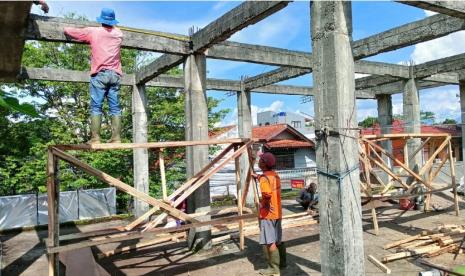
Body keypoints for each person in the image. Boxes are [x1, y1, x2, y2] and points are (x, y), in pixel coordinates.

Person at [64, 8, 123, 144]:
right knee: (115, 107)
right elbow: (114, 30)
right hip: (115, 75)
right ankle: (116, 138)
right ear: (113, 21)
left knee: (96, 106)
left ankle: (95, 138)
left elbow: (70, 32)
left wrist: (65, 27)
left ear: (101, 20)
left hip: (100, 74)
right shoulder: (119, 34)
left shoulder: (93, 32)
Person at [255, 152, 286, 276]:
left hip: (268, 214)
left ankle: (274, 269)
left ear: (264, 163)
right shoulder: (275, 176)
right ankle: (282, 263)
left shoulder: (264, 178)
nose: (259, 161)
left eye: (261, 160)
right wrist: (257, 176)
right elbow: (268, 182)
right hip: (277, 213)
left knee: (270, 241)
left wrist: (264, 204)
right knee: (278, 240)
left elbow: (267, 193)